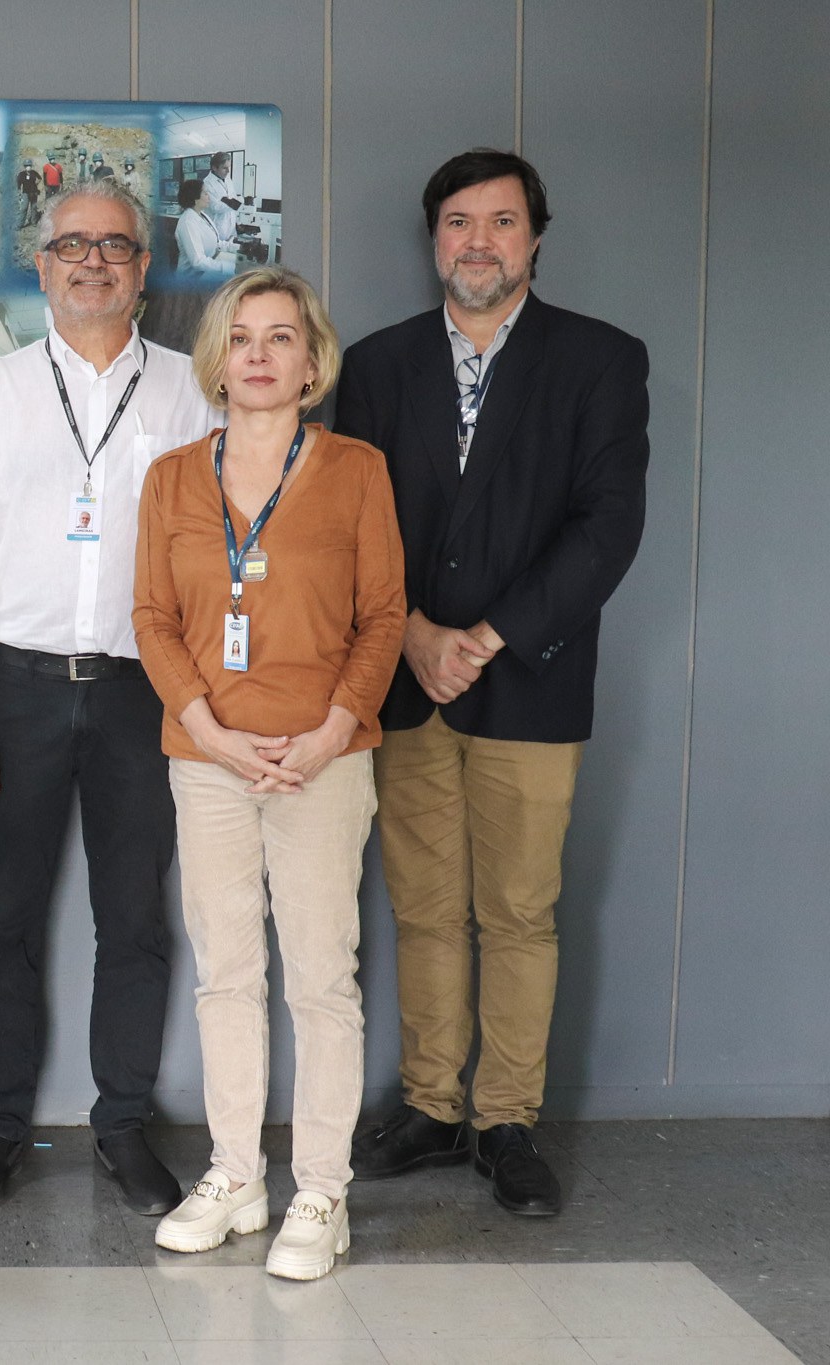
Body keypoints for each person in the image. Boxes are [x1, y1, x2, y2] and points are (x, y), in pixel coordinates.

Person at [335, 148, 648, 1219]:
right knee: (422, 908)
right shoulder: (374, 367)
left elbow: (607, 527)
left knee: (517, 912)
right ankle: (428, 1107)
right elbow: (352, 525)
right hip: (406, 681)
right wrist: (414, 633)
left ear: (533, 238)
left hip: (529, 679)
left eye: (500, 222)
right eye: (458, 222)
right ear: (433, 240)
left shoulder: (599, 361)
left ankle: (504, 1118)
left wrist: (485, 635)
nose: (477, 241)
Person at [0, 181, 213, 1213]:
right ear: (40, 265)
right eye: (71, 246)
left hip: (149, 693)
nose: (92, 261)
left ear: (143, 269)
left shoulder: (193, 391)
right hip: (17, 687)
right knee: (2, 915)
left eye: (115, 247)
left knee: (133, 918)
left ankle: (123, 1125)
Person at [133, 267, 405, 1281]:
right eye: (239, 336)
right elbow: (152, 622)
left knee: (320, 980)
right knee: (226, 975)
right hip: (205, 759)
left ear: (309, 361)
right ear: (216, 359)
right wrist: (205, 727)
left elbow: (381, 616)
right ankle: (234, 1174)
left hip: (320, 761)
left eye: (278, 337)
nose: (256, 354)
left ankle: (319, 1190)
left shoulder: (356, 470)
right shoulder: (169, 477)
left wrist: (335, 729)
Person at [175, 179, 235, 281]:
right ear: (195, 198)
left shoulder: (202, 215)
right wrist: (230, 267)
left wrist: (239, 248)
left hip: (205, 272)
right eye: (205, 193)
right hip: (191, 280)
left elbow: (217, 243)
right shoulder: (188, 222)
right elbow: (198, 262)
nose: (209, 197)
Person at [203, 152, 241, 243]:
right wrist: (236, 203)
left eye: (229, 167)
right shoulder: (207, 183)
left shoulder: (228, 179)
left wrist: (238, 221)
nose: (228, 171)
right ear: (214, 168)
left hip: (231, 229)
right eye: (224, 168)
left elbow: (233, 197)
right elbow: (215, 207)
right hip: (218, 230)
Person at [15, 158, 43, 228]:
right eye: (27, 165)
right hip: (25, 193)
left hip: (34, 192)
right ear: (25, 166)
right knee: (24, 208)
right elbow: (18, 184)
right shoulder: (21, 174)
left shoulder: (34, 172)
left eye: (29, 165)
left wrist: (37, 183)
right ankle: (19, 224)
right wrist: (19, 192)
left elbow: (40, 178)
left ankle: (33, 222)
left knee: (34, 208)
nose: (28, 167)